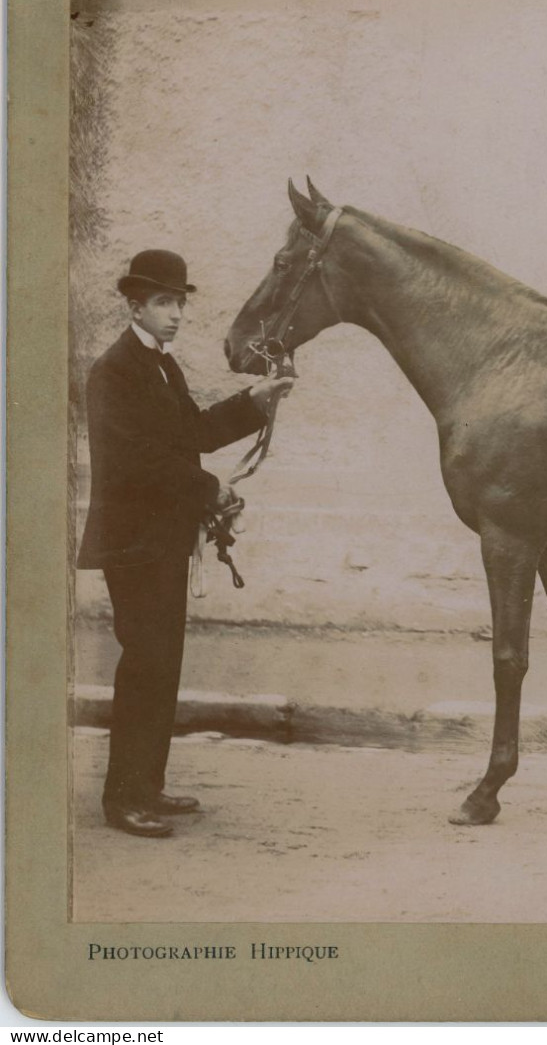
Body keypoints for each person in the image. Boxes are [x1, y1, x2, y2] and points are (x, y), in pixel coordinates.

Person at [76, 248, 294, 838]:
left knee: (161, 665)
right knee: (144, 665)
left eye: (179, 303)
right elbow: (137, 461)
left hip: (162, 539)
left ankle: (147, 787)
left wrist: (253, 403)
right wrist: (208, 487)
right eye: (163, 303)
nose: (175, 314)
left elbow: (190, 432)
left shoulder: (162, 368)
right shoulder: (114, 371)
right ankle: (123, 800)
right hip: (134, 544)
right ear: (135, 306)